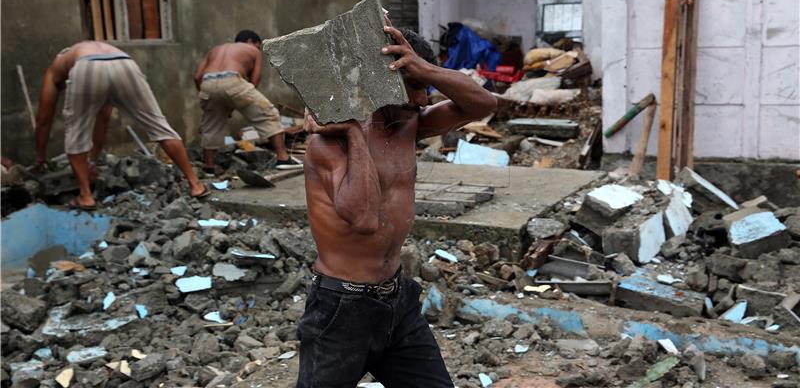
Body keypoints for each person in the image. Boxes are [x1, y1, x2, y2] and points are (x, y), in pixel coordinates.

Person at [298, 26, 497, 387]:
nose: (422, 101)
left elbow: (484, 104)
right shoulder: (329, 143)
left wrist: (425, 69)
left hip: (397, 301)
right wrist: (355, 135)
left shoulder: (409, 124)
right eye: (413, 88)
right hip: (341, 308)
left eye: (425, 89)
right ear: (378, 84)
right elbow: (363, 218)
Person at [35, 41, 210, 210]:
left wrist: (40, 159)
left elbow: (44, 119)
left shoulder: (56, 68)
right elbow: (103, 118)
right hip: (125, 64)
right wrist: (93, 160)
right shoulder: (93, 49)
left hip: (87, 67)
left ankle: (85, 196)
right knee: (159, 126)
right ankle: (196, 185)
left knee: (75, 133)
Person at [193, 29, 301, 173]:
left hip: (207, 83)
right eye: (258, 46)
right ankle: (283, 158)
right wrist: (239, 98)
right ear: (251, 41)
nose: (258, 49)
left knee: (210, 125)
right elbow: (254, 81)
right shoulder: (252, 49)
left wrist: (208, 98)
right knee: (268, 113)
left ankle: (209, 167)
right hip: (233, 79)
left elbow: (197, 76)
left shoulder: (214, 50)